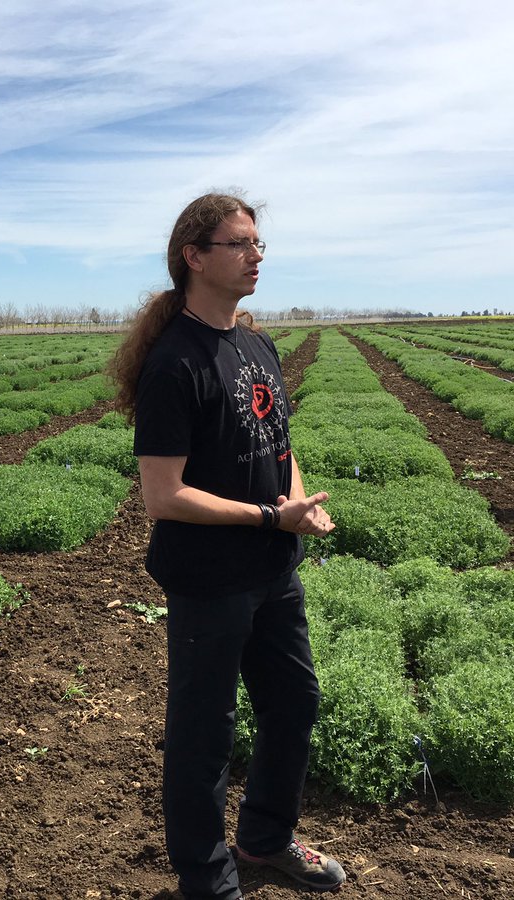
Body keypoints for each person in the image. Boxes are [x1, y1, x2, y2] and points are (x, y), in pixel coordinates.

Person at [107, 192, 345, 899]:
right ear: (194, 257)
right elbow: (163, 495)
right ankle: (206, 880)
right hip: (211, 579)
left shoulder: (256, 341)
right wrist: (270, 517)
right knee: (204, 736)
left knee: (295, 702)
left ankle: (265, 841)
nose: (256, 255)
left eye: (258, 243)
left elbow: (281, 442)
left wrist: (295, 504)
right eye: (240, 244)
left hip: (274, 568)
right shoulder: (174, 363)